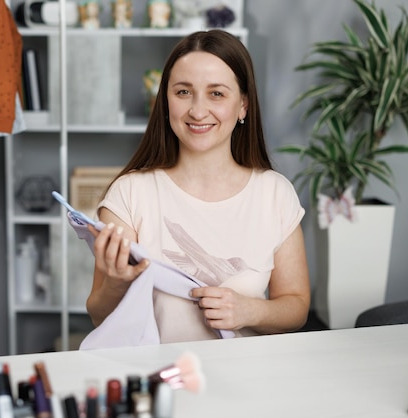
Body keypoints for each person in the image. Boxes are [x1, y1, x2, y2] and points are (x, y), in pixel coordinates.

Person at [86, 30, 310, 343]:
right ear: (166, 101)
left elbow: (297, 306)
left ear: (243, 105)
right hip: (159, 380)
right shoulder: (130, 194)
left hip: (248, 382)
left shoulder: (275, 193)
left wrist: (250, 311)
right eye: (183, 92)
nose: (198, 110)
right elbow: (98, 315)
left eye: (216, 93)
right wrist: (116, 284)